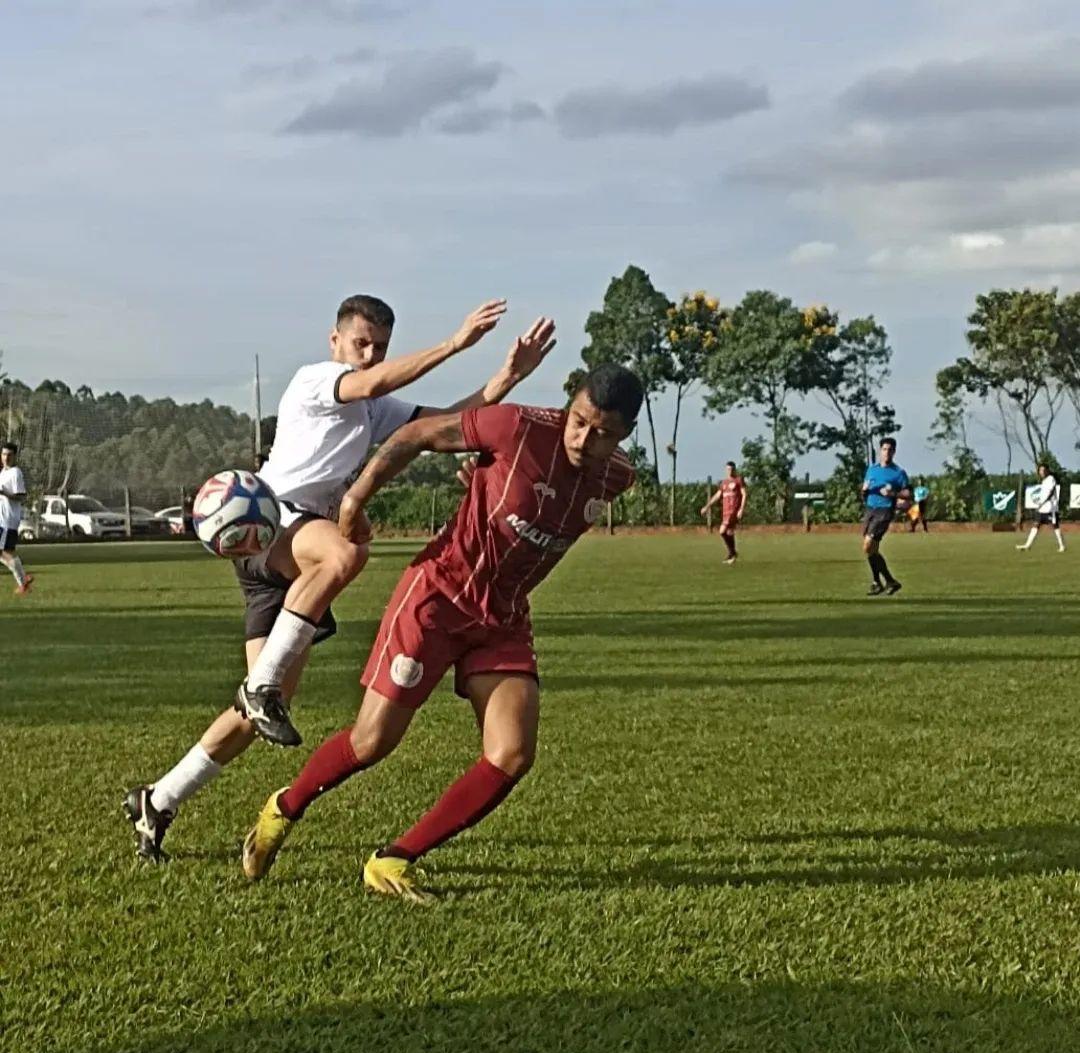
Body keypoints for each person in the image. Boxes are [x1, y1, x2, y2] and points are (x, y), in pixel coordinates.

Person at [123, 295, 554, 863]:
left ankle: (158, 799)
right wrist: (454, 344)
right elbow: (368, 387)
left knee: (260, 709)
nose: (370, 355)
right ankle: (261, 691)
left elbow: (448, 421)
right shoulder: (316, 381)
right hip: (274, 523)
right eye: (361, 344)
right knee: (345, 556)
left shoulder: (373, 411)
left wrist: (506, 376)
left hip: (284, 566)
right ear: (335, 341)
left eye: (379, 347)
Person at [241, 363, 642, 902]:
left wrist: (486, 477)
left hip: (502, 617)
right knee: (371, 742)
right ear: (569, 405)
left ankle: (393, 860)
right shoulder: (515, 426)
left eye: (602, 434)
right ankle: (283, 809)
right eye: (579, 421)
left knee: (512, 754)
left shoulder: (618, 476)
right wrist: (358, 497)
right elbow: (414, 434)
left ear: (623, 435)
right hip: (437, 596)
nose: (583, 439)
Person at [861, 437, 908, 596]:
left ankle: (880, 582)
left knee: (868, 545)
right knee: (871, 549)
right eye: (884, 449)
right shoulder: (872, 469)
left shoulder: (898, 473)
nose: (887, 452)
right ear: (880, 450)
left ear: (894, 452)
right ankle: (885, 582)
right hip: (870, 509)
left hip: (884, 510)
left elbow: (908, 493)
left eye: (890, 450)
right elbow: (864, 492)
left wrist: (893, 493)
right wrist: (864, 491)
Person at [0, 443, 32, 596]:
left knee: (7, 552)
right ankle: (23, 578)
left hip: (8, 520)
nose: (6, 458)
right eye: (4, 454)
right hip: (1, 519)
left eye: (9, 455)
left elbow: (21, 496)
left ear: (14, 457)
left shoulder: (15, 473)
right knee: (4, 552)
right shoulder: (2, 473)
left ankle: (23, 582)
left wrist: (5, 493)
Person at [700, 461, 746, 563]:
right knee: (728, 532)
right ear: (726, 470)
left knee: (722, 531)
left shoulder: (738, 480)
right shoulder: (724, 483)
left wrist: (741, 509)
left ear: (735, 470)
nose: (730, 471)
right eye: (728, 469)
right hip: (725, 511)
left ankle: (732, 553)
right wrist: (707, 507)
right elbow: (717, 496)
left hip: (733, 511)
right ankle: (732, 554)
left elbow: (744, 494)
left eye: (732, 469)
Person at [1016, 463, 1065, 553]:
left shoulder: (1051, 479)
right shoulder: (1044, 481)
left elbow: (1050, 493)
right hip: (1042, 509)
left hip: (1051, 508)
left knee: (1055, 526)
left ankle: (1062, 546)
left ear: (1047, 470)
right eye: (1040, 470)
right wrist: (1040, 504)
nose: (1041, 472)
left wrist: (1042, 503)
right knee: (1036, 525)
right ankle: (1028, 545)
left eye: (1043, 470)